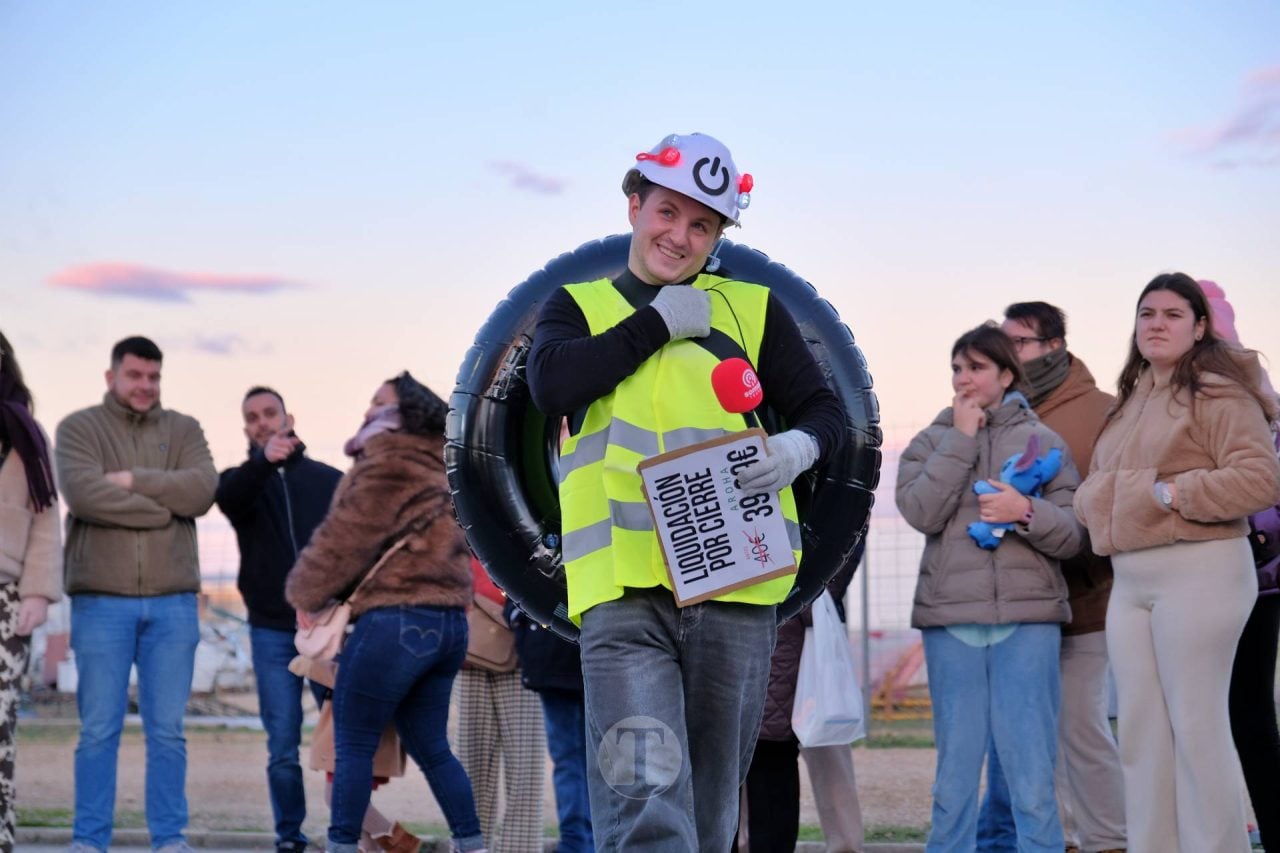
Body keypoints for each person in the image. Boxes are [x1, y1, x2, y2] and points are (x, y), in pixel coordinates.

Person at [526, 131, 847, 848]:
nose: (680, 235)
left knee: (706, 808)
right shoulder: (575, 306)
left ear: (718, 235)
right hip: (623, 595)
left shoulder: (755, 310)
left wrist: (796, 447)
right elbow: (553, 385)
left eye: (702, 224)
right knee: (644, 800)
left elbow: (826, 411)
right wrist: (656, 322)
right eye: (667, 212)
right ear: (635, 205)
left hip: (733, 589)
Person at [1074, 272, 1280, 853]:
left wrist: (1168, 494)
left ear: (1198, 326)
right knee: (1139, 733)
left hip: (1202, 571)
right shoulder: (1131, 401)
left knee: (1196, 726)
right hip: (1133, 580)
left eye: (1171, 313)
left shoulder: (1220, 392)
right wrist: (1099, 500)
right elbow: (1100, 487)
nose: (1157, 323)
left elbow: (1260, 478)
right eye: (1146, 313)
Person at [896, 323, 1083, 853]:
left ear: (1006, 374)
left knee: (1031, 780)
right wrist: (960, 438)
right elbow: (920, 512)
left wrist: (1025, 511)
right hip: (950, 622)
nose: (963, 378)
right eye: (957, 367)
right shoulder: (932, 440)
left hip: (1027, 623)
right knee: (953, 782)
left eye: (976, 367)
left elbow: (1073, 535)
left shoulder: (1044, 442)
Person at [285, 372, 485, 853]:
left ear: (403, 416)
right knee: (435, 750)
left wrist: (303, 594)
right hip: (451, 625)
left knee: (352, 744)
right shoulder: (445, 467)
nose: (368, 411)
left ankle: (340, 846)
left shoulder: (387, 465)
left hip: (396, 622)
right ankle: (473, 845)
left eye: (379, 403)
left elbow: (343, 540)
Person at [55, 335, 218, 853]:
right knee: (99, 730)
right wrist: (160, 508)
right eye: (135, 376)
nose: (145, 386)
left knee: (168, 733)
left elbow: (201, 491)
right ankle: (90, 840)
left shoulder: (184, 429)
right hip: (101, 601)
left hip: (173, 603)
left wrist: (131, 480)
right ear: (112, 377)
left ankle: (169, 838)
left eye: (153, 377)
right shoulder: (79, 428)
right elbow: (83, 493)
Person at [978, 302, 1126, 853]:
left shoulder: (1103, 412)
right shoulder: (1000, 408)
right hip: (1016, 605)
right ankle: (1053, 839)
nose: (1008, 352)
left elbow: (1109, 508)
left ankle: (1111, 838)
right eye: (1004, 341)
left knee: (1082, 729)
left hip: (1085, 600)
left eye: (1020, 342)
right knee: (1027, 738)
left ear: (1054, 347)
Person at [215, 386, 342, 852]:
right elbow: (228, 497)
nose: (263, 422)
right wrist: (263, 462)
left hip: (326, 629)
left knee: (342, 739)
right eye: (253, 417)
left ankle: (346, 833)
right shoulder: (241, 482)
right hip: (270, 630)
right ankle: (290, 838)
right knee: (282, 746)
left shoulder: (329, 479)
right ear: (246, 427)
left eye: (270, 413)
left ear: (289, 416)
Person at [1201, 280, 1280, 853]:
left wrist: (1253, 535)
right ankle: (1222, 830)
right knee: (1203, 717)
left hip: (1259, 579)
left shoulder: (1260, 404)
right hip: (1196, 576)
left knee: (1249, 716)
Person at [0, 331, 63, 853]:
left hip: (5, 600)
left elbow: (46, 518)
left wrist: (38, 593)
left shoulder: (25, 433)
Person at [456, 557, 545, 852]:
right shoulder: (450, 515)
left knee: (524, 773)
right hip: (471, 647)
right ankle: (472, 845)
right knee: (474, 771)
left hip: (519, 646)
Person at [509, 597, 595, 853]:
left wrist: (519, 619)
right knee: (599, 760)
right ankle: (585, 842)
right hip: (591, 654)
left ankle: (576, 843)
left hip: (554, 656)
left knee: (572, 759)